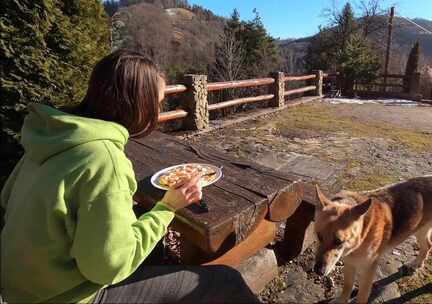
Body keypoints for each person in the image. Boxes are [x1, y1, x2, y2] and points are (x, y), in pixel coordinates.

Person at [0, 50, 260, 303]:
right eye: (155, 105)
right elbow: (109, 268)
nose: (157, 115)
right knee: (227, 281)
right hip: (67, 295)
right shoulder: (104, 160)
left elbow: (6, 197)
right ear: (135, 105)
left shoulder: (53, 136)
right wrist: (167, 207)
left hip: (19, 285)